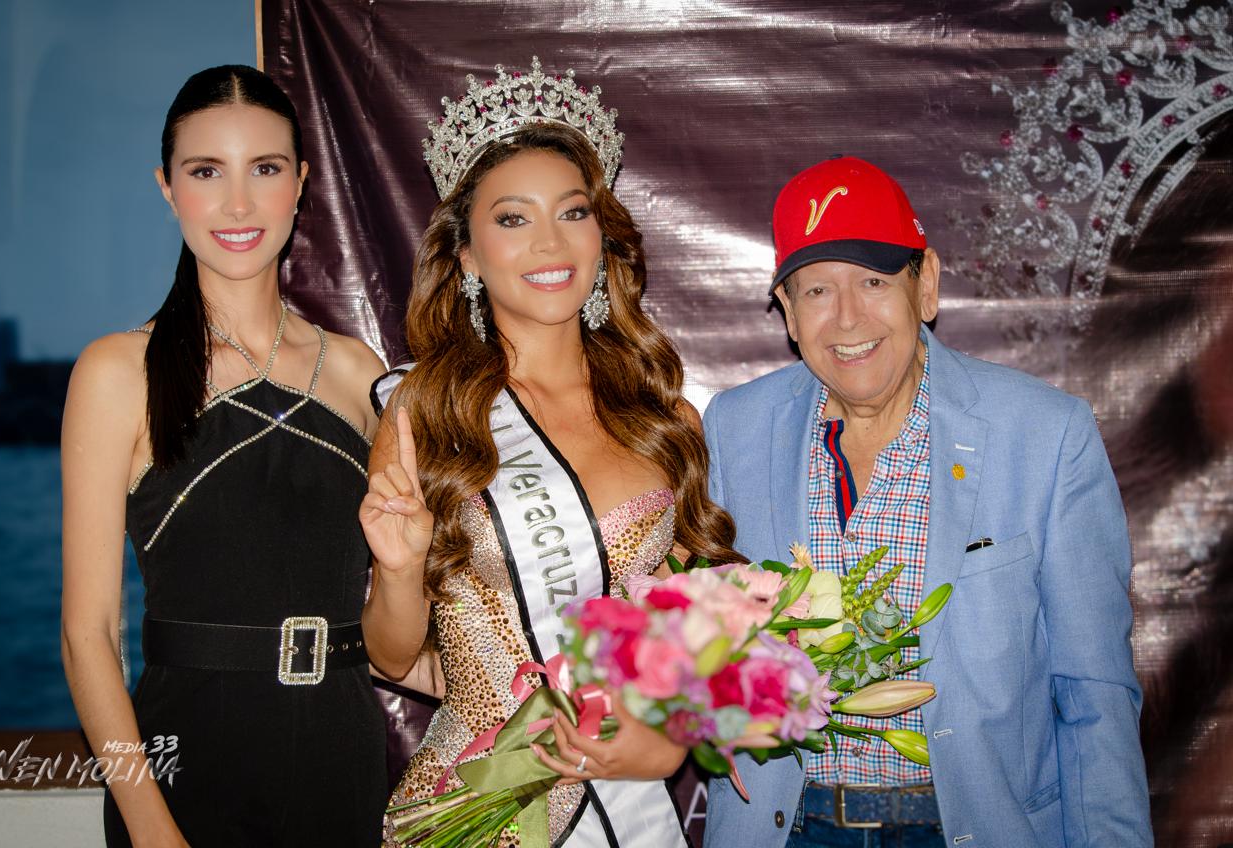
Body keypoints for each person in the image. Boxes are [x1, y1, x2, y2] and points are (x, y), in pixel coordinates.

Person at [701, 157, 1152, 847]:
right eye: (817, 289)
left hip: (971, 827)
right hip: (785, 827)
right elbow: (703, 649)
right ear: (788, 311)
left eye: (874, 281)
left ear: (928, 284)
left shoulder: (1044, 433)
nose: (847, 317)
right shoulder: (734, 429)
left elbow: (1094, 691)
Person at [358, 58, 740, 846]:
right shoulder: (425, 409)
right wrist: (399, 568)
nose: (549, 243)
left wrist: (670, 737)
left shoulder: (664, 418)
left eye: (572, 212)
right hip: (476, 805)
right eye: (512, 219)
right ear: (466, 255)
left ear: (601, 235)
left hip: (627, 805)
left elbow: (688, 636)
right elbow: (391, 657)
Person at [60, 65, 388, 846]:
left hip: (344, 769)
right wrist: (151, 829)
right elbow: (88, 635)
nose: (238, 204)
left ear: (300, 183)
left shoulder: (358, 373)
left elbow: (395, 617)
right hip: (186, 781)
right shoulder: (117, 372)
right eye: (207, 171)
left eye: (264, 169)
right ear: (167, 187)